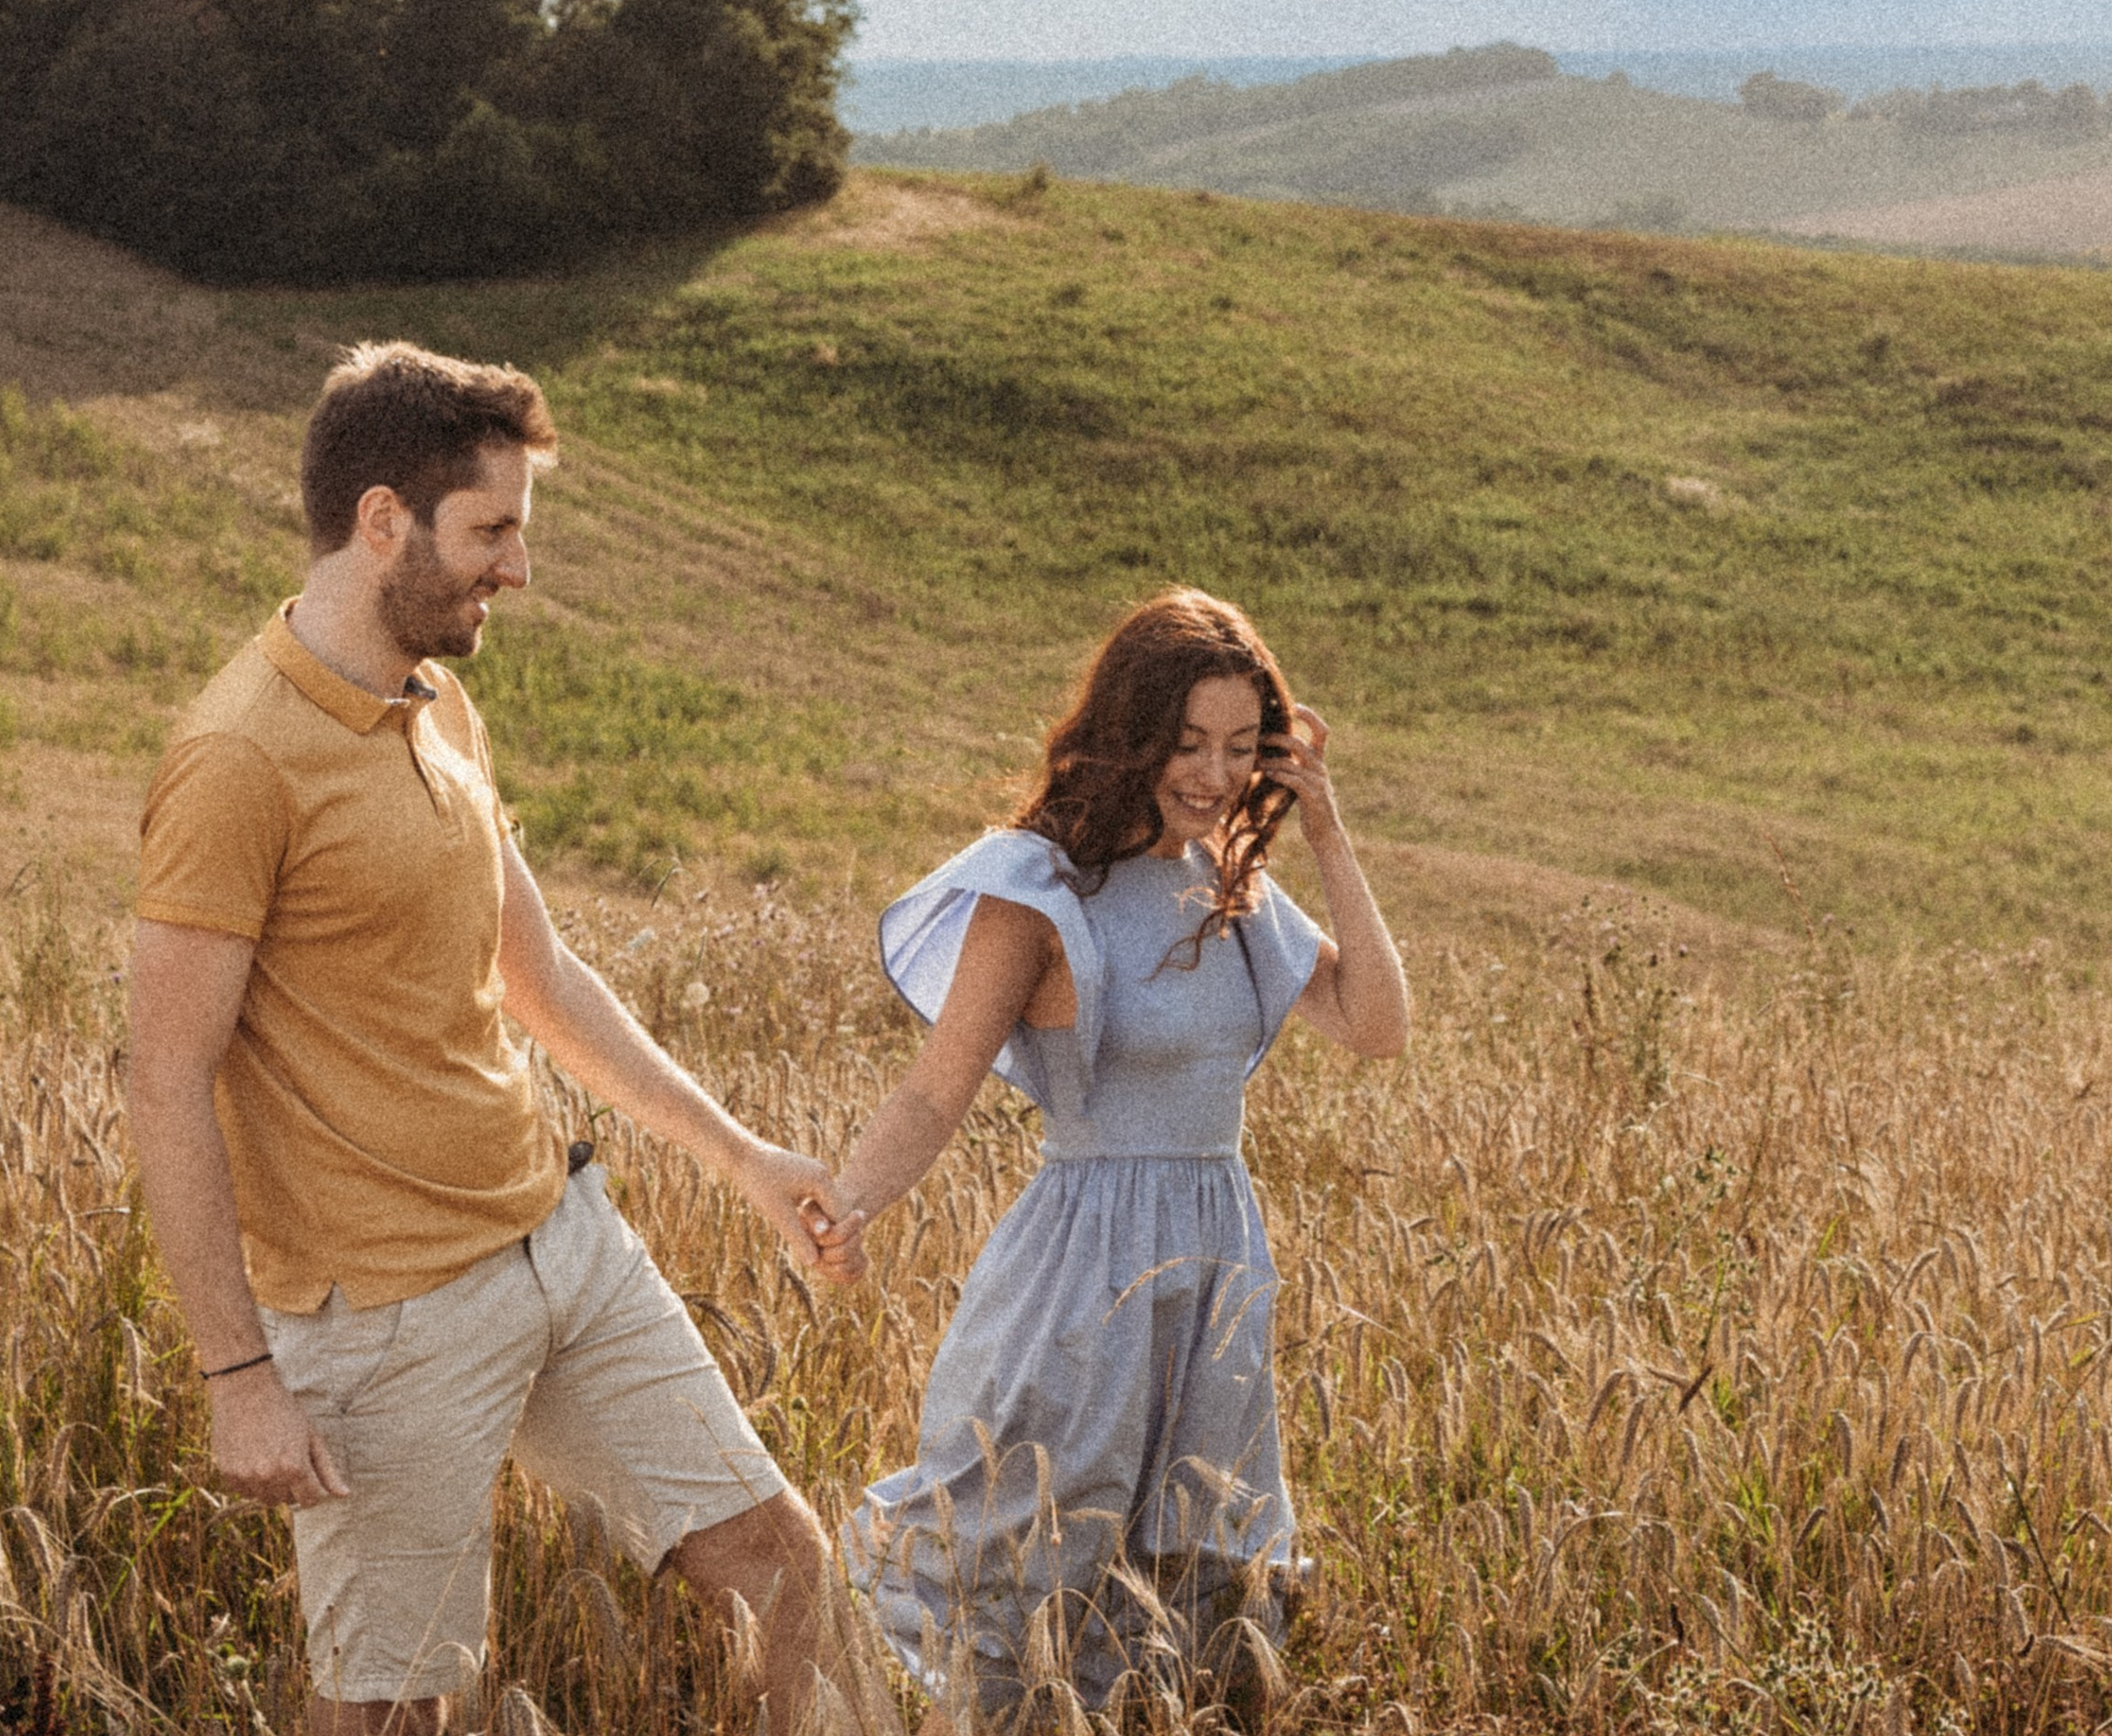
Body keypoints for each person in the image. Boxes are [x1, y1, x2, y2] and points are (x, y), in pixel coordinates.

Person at [126, 341, 893, 1736]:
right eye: (490, 533)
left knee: (784, 1568)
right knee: (396, 1710)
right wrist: (240, 1379)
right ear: (381, 521)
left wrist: (739, 1153)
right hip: (384, 1316)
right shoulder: (236, 759)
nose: (517, 571)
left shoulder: (437, 700)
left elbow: (538, 974)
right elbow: (166, 1078)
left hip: (560, 1241)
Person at [830, 589, 1409, 1728]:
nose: (1213, 774)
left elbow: (1377, 1024)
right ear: (1131, 731)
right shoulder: (1042, 892)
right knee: (1018, 1546)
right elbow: (932, 1092)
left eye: (1245, 749)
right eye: (1188, 742)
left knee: (1180, 1587)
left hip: (1215, 1271)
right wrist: (844, 1202)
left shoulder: (1233, 893)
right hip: (1083, 1277)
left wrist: (1330, 831)